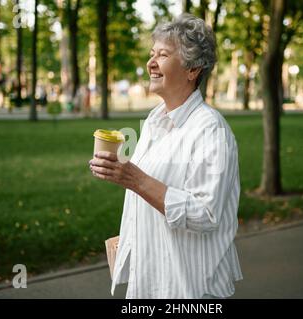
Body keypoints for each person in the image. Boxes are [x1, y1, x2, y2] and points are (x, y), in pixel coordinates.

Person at [89, 13, 243, 299]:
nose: (151, 62)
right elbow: (151, 188)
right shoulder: (153, 121)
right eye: (152, 54)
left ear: (193, 69)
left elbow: (206, 214)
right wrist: (116, 170)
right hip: (150, 283)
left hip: (190, 290)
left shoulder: (211, 130)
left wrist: (134, 179)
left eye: (163, 54)